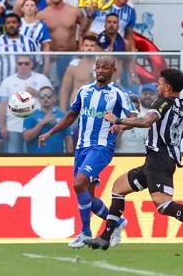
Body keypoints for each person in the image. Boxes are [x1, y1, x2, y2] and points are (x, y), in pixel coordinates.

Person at [85, 68, 183, 251]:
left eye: (160, 83)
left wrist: (119, 120)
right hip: (157, 161)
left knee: (163, 206)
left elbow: (146, 121)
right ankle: (105, 237)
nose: (157, 86)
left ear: (168, 87)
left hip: (159, 160)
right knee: (118, 187)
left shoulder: (162, 103)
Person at [38, 56, 138, 248]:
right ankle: (117, 222)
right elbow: (71, 115)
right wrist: (50, 132)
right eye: (98, 67)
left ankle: (85, 232)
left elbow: (132, 116)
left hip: (102, 147)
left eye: (105, 68)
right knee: (87, 195)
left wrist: (120, 124)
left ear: (113, 71)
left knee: (79, 184)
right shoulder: (84, 91)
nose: (100, 70)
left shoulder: (118, 93)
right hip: (81, 147)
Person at [23, 86, 73, 154]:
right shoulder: (31, 116)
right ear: (39, 99)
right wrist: (42, 123)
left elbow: (68, 138)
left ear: (54, 98)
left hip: (57, 158)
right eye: (42, 96)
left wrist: (69, 157)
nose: (45, 98)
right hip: (35, 158)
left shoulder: (63, 115)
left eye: (48, 96)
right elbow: (26, 137)